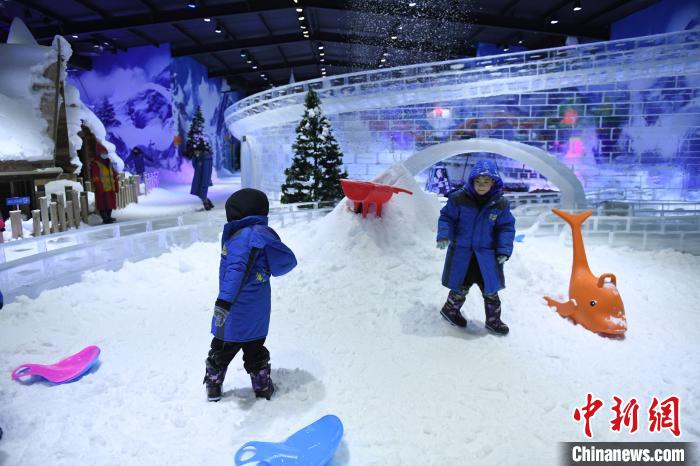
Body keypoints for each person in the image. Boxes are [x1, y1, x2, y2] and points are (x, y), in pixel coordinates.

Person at [203, 188, 297, 402]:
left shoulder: (243, 236)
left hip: (234, 309)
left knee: (223, 348)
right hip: (258, 309)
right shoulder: (262, 233)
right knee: (255, 348)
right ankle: (262, 386)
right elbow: (282, 265)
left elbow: (236, 271)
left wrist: (224, 302)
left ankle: (213, 385)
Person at [436, 159, 516, 335]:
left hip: (486, 256)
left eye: (486, 182)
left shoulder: (500, 204)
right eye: (478, 182)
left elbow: (506, 228)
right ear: (471, 181)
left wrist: (504, 250)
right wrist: (444, 235)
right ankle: (450, 310)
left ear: (494, 182)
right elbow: (446, 218)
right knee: (460, 285)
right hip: (463, 254)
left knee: (490, 289)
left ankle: (494, 320)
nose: (481, 186)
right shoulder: (459, 199)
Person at [90, 142, 119, 224]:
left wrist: (116, 185)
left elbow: (114, 174)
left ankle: (109, 216)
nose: (104, 154)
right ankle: (105, 218)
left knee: (110, 203)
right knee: (102, 204)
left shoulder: (109, 162)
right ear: (99, 153)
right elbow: (95, 177)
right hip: (102, 188)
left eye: (105, 153)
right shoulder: (95, 164)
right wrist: (99, 187)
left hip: (110, 187)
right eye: (103, 153)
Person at [190, 139, 214, 211]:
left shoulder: (204, 159)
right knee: (200, 193)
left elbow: (203, 169)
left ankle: (207, 205)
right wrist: (195, 157)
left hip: (202, 179)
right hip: (201, 179)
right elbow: (195, 166)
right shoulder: (202, 158)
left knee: (201, 193)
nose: (196, 152)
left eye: (197, 151)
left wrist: (205, 181)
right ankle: (208, 204)